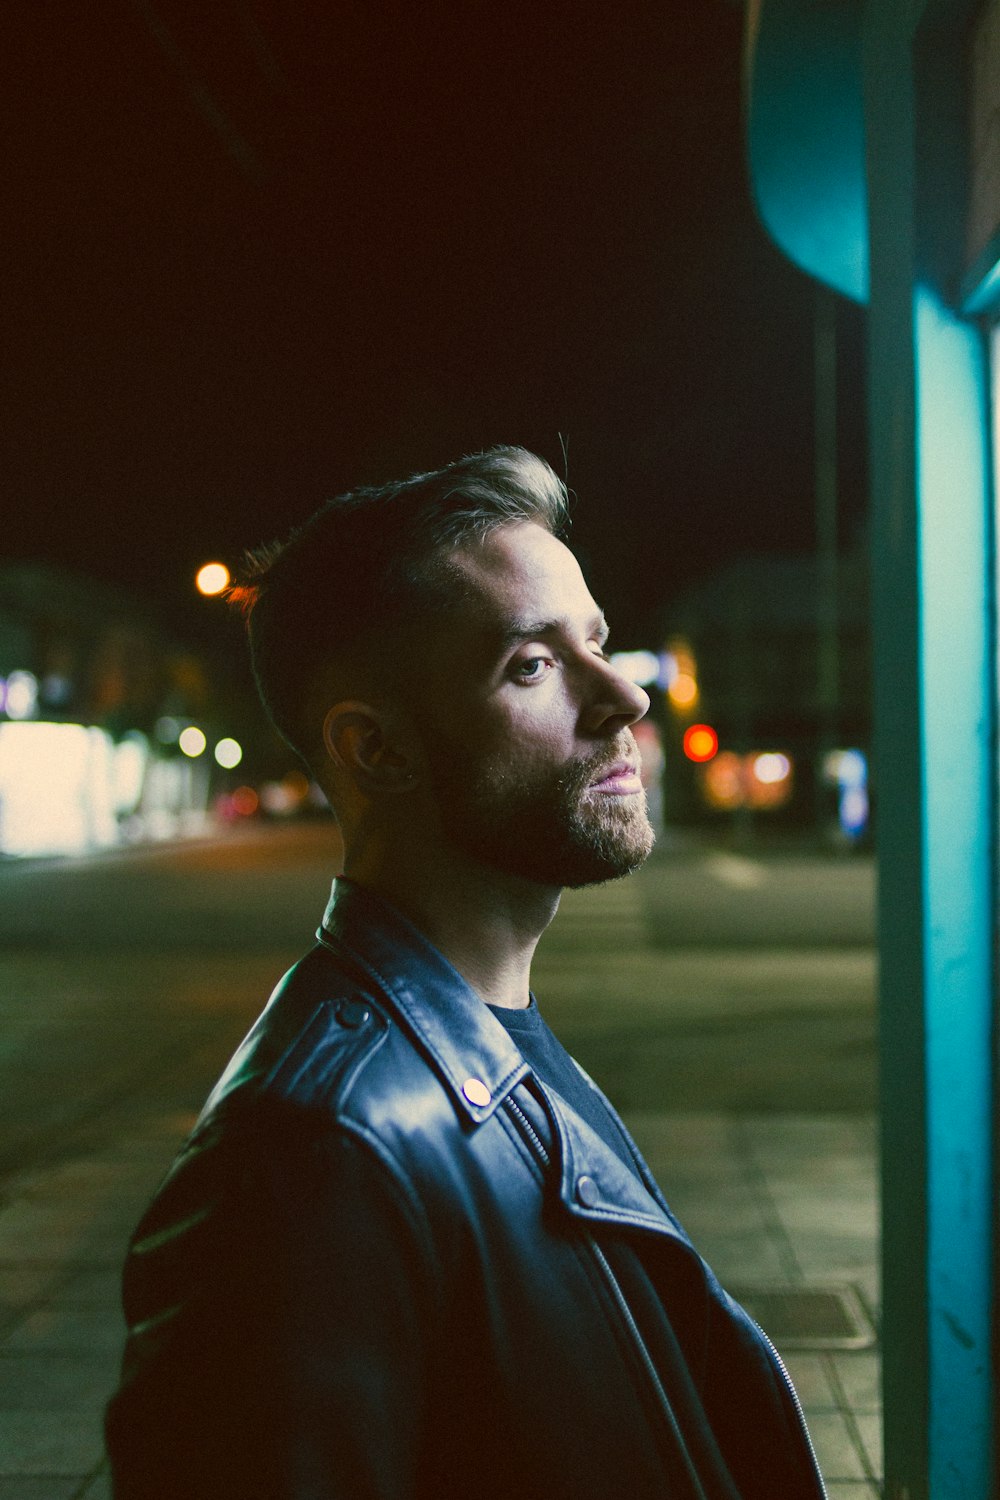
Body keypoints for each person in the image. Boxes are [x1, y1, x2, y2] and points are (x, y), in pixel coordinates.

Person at [105, 447, 825, 1499]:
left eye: (598, 644)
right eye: (532, 665)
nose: (622, 695)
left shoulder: (476, 1037)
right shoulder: (313, 1157)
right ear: (376, 751)